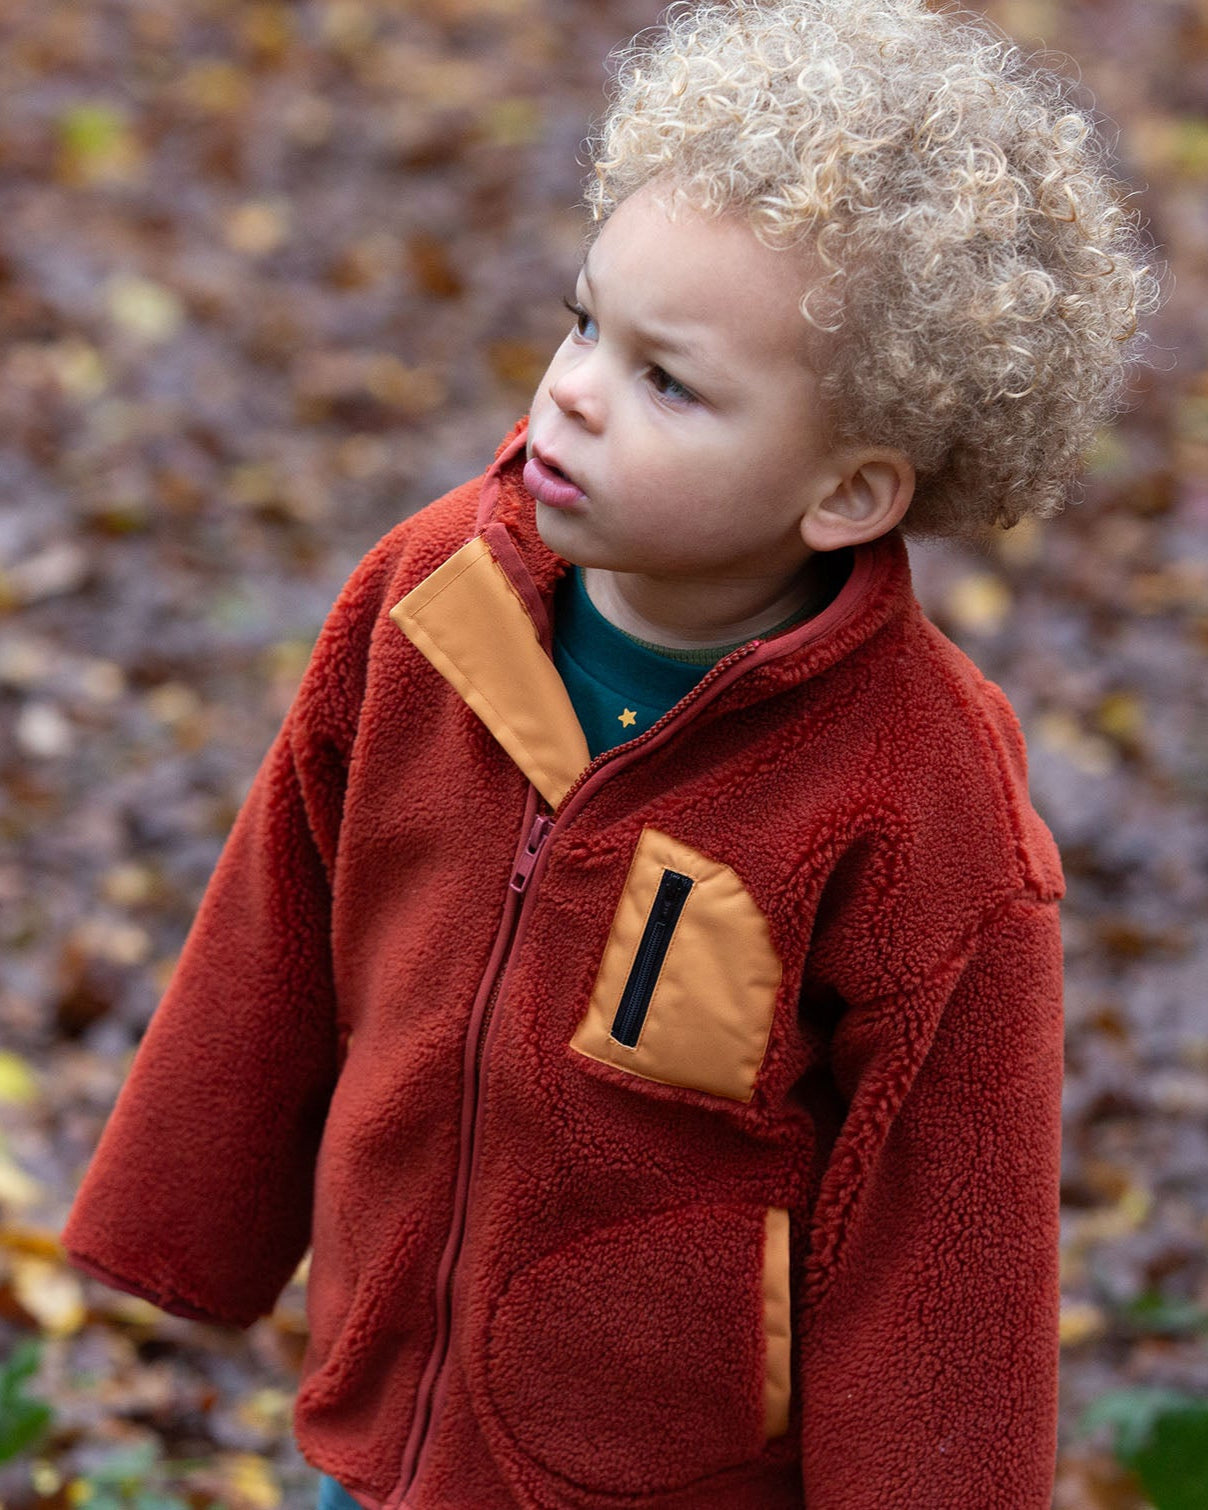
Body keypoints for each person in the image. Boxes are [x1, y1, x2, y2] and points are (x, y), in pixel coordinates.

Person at [61, 2, 1160, 1506]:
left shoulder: (920, 794)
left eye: (668, 380)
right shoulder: (434, 597)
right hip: (385, 1423)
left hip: (662, 1473)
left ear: (846, 489)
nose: (574, 387)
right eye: (587, 322)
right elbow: (285, 911)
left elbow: (946, 1220)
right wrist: (188, 1215)